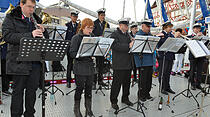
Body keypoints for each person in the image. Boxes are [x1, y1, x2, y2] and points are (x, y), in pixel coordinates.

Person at [2, 0, 49, 116]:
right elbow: (7, 36)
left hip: (35, 62)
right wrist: (30, 34)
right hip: (19, 61)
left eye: (33, 7)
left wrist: (44, 31)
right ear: (21, 5)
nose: (32, 10)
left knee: (31, 92)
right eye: (29, 7)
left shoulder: (36, 19)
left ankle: (30, 114)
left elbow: (44, 40)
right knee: (18, 92)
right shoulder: (11, 17)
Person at [69, 18, 95, 117]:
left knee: (89, 88)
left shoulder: (92, 37)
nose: (90, 30)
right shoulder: (76, 38)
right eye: (88, 28)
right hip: (80, 66)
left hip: (90, 66)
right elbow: (71, 53)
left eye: (92, 28)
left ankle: (88, 109)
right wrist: (81, 54)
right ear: (83, 27)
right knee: (79, 88)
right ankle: (76, 109)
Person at [110, 18, 134, 110]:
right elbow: (115, 46)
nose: (127, 27)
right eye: (125, 25)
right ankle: (114, 101)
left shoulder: (128, 35)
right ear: (120, 26)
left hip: (128, 63)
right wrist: (128, 46)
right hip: (119, 63)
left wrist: (133, 42)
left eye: (127, 25)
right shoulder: (114, 34)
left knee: (127, 83)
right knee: (116, 84)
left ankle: (125, 98)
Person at [134, 19, 154, 101]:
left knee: (149, 79)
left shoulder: (150, 35)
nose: (149, 28)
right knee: (143, 80)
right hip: (142, 61)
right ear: (142, 26)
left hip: (149, 60)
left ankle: (147, 93)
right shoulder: (138, 35)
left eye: (149, 27)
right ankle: (141, 95)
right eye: (147, 26)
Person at [92, 8, 110, 89]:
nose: (103, 17)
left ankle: (100, 80)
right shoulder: (94, 23)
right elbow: (91, 34)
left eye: (104, 15)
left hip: (103, 46)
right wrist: (97, 37)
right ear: (98, 15)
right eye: (102, 15)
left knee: (101, 65)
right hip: (96, 46)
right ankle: (93, 81)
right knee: (95, 65)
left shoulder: (107, 24)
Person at [157, 21, 175, 95]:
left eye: (171, 27)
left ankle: (167, 87)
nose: (171, 29)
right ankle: (162, 87)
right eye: (169, 27)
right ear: (165, 27)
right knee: (162, 73)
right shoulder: (161, 34)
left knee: (168, 72)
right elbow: (159, 44)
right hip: (163, 56)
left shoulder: (171, 34)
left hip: (170, 56)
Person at [65, 10, 80, 88]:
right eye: (74, 16)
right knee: (69, 64)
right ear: (71, 17)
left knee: (76, 64)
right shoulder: (66, 25)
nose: (75, 18)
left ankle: (77, 80)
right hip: (70, 48)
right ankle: (68, 80)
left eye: (76, 16)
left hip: (77, 48)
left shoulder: (79, 26)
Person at [188, 23, 205, 90]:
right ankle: (192, 84)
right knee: (192, 70)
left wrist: (203, 37)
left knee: (200, 70)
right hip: (193, 56)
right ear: (193, 29)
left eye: (199, 28)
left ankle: (198, 83)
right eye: (196, 28)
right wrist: (196, 37)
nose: (198, 30)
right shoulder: (190, 36)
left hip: (201, 55)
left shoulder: (202, 36)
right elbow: (190, 41)